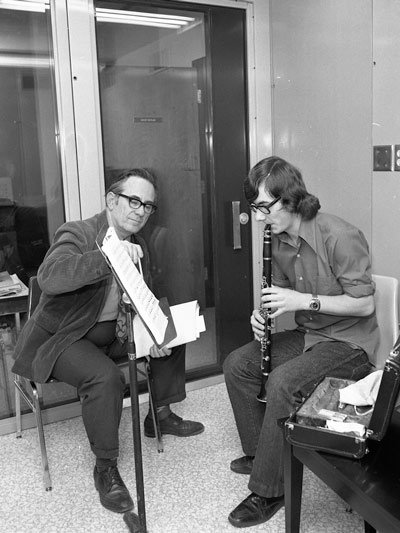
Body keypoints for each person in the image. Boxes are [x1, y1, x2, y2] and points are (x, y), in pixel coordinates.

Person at [12, 168, 204, 514]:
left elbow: (138, 295)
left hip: (114, 330)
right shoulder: (79, 233)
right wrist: (106, 258)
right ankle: (105, 467)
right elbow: (50, 277)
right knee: (105, 377)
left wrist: (154, 334)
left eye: (148, 205)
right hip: (68, 334)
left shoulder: (138, 244)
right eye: (134, 201)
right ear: (111, 200)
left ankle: (159, 414)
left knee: (172, 331)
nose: (141, 210)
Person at [223, 156, 379, 528]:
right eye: (254, 208)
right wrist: (263, 316)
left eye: (264, 207)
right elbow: (281, 294)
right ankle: (263, 452)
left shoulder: (338, 235)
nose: (259, 217)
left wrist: (301, 302)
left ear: (290, 199)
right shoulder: (276, 241)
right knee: (236, 365)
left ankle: (269, 488)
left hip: (348, 343)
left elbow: (365, 303)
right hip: (310, 336)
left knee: (283, 382)